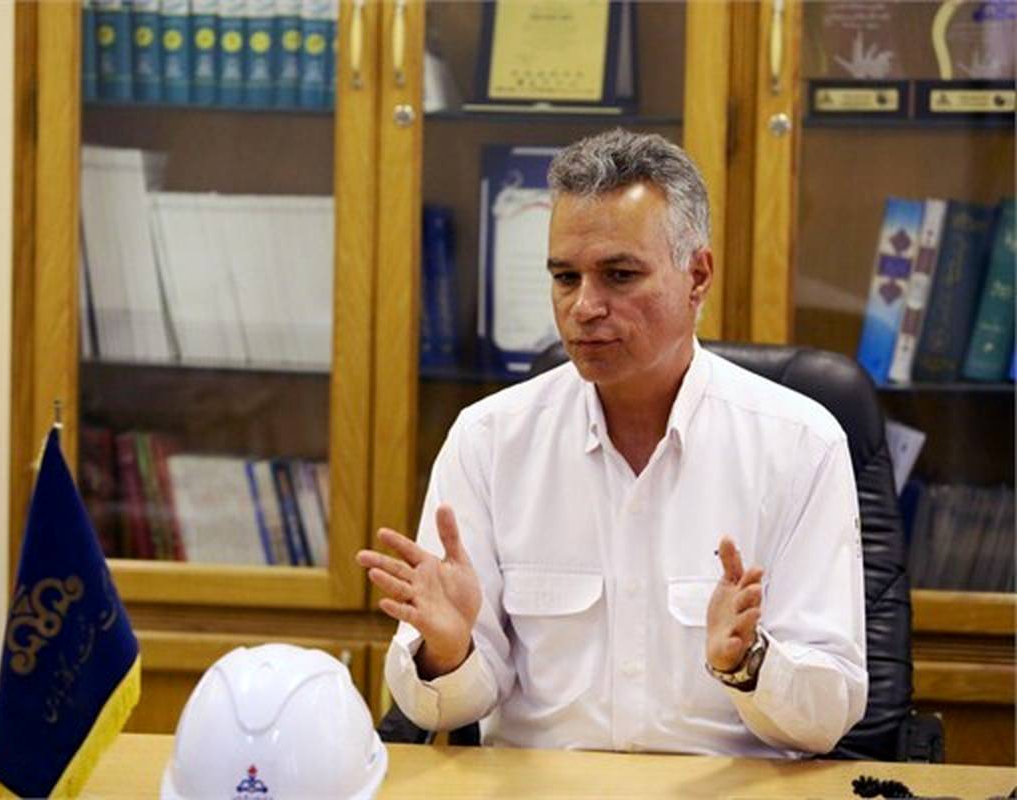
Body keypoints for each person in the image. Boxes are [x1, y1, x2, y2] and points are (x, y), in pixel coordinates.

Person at [356, 128, 867, 758]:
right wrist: (449, 650)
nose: (584, 306)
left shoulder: (800, 444)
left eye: (619, 276)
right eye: (565, 277)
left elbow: (829, 715)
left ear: (697, 276)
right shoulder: (488, 440)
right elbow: (442, 707)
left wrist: (749, 663)